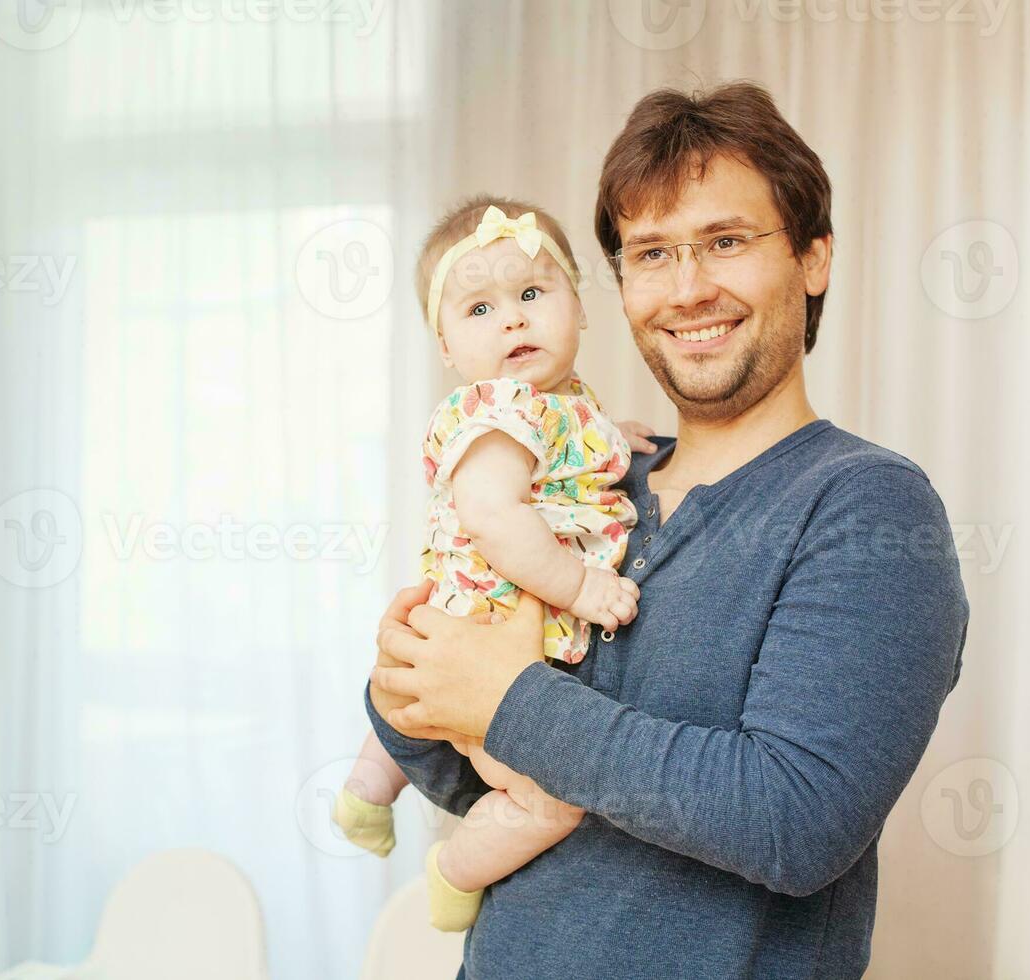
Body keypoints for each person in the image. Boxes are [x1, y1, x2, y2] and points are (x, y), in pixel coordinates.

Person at [365, 82, 970, 979]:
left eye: (725, 241)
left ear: (813, 258)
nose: (688, 289)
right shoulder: (588, 483)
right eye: (651, 253)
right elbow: (468, 776)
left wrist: (508, 697)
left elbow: (794, 821)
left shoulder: (867, 510)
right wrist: (405, 684)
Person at [331, 196, 650, 930]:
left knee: (408, 692)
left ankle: (363, 789)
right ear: (445, 347)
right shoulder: (501, 411)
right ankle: (452, 871)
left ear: (580, 306)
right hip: (489, 627)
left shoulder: (559, 404)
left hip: (464, 623)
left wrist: (613, 437)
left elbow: (570, 457)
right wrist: (582, 585)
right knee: (551, 797)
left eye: (532, 295)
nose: (512, 319)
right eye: (479, 309)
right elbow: (494, 515)